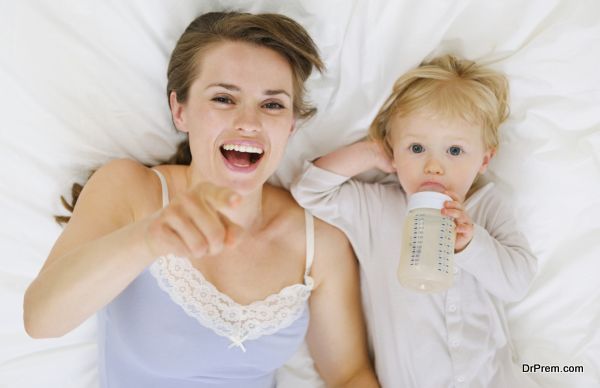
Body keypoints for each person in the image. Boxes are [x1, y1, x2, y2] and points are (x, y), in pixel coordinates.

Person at [23, 12, 379, 388]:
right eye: (224, 99)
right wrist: (149, 239)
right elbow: (41, 320)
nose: (249, 122)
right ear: (180, 111)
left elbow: (348, 374)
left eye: (272, 105)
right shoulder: (131, 188)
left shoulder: (318, 241)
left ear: (291, 125)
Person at [291, 55, 539, 388]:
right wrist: (369, 154)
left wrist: (471, 243)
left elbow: (518, 282)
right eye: (416, 147)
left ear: (484, 159)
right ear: (394, 152)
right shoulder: (377, 208)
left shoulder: (486, 207)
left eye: (454, 151)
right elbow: (309, 191)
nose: (434, 166)